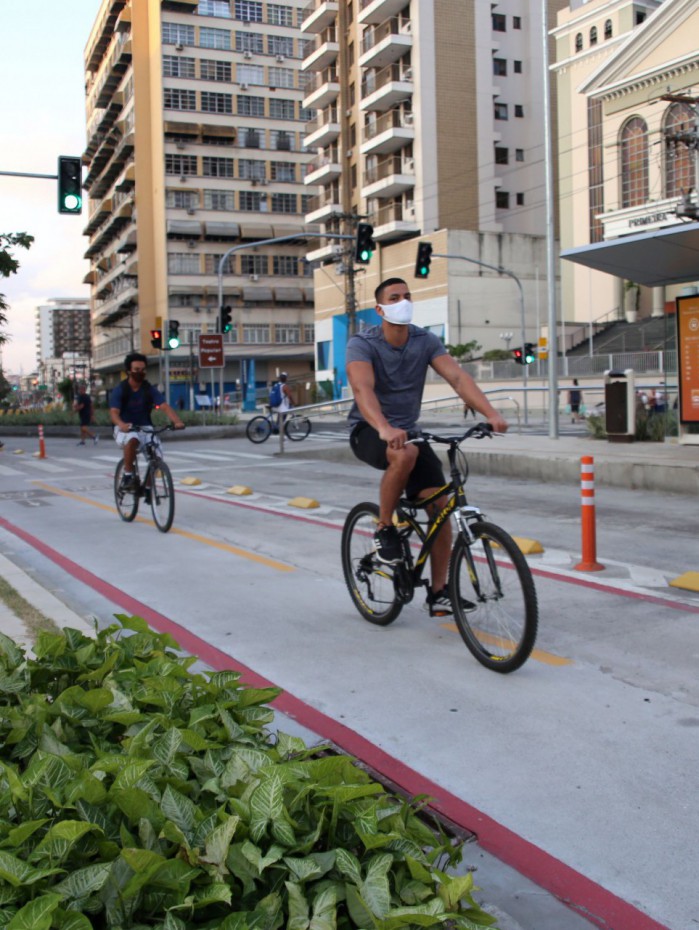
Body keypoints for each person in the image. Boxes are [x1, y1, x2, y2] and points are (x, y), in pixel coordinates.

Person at [346, 277, 508, 618]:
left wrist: (491, 414)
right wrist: (384, 427)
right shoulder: (363, 343)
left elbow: (458, 378)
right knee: (404, 453)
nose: (403, 302)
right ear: (380, 309)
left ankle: (439, 593)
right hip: (369, 429)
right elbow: (363, 389)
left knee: (440, 508)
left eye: (407, 296)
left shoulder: (424, 340)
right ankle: (385, 528)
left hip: (410, 433)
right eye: (394, 297)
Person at [109, 352, 185, 490]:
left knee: (157, 457)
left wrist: (177, 421)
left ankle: (148, 488)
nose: (140, 372)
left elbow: (164, 406)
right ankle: (127, 475)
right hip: (125, 428)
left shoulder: (148, 389)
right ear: (129, 371)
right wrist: (121, 424)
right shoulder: (120, 390)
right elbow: (114, 413)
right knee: (132, 439)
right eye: (136, 369)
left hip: (145, 427)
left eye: (143, 369)